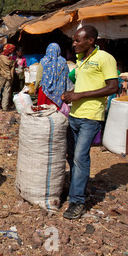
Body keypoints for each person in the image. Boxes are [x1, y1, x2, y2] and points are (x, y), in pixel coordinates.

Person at [61, 25, 119, 220]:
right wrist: (70, 94)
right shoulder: (80, 59)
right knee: (71, 155)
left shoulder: (104, 58)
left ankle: (77, 201)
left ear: (91, 40)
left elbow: (113, 87)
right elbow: (81, 83)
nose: (74, 43)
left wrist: (80, 94)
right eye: (74, 40)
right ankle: (75, 187)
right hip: (75, 115)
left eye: (78, 40)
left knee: (80, 157)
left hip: (91, 116)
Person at [35, 43, 71, 109]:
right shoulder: (63, 62)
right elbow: (67, 78)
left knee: (43, 112)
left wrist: (35, 88)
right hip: (59, 92)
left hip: (44, 92)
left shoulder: (44, 61)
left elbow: (39, 78)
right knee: (56, 114)